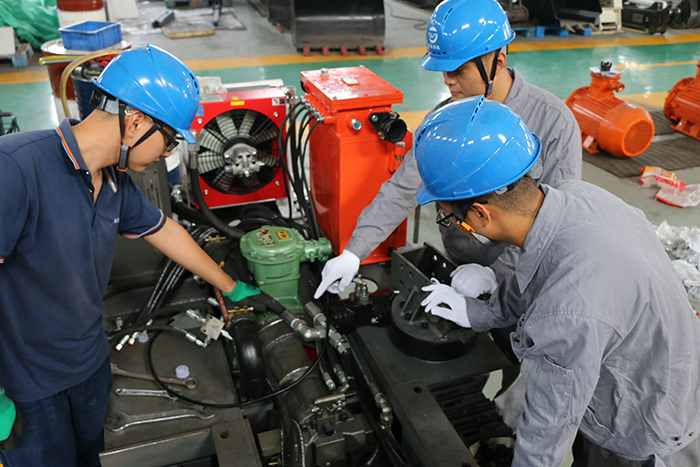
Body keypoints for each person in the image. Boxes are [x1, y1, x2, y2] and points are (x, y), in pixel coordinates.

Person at [0, 45, 260, 466]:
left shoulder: (114, 181)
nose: (167, 153)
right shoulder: (16, 169)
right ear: (135, 120)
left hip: (88, 363)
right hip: (25, 385)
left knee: (88, 456)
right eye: (170, 139)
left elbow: (167, 231)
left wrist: (229, 286)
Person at [417, 96, 700, 466]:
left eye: (448, 217)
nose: (452, 227)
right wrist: (477, 312)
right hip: (666, 378)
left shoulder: (569, 313)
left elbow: (545, 438)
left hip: (644, 432)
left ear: (481, 214)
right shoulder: (576, 198)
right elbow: (537, 276)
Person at [314, 0, 582, 300]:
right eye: (443, 70)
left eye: (459, 69)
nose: (447, 80)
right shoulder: (446, 120)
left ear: (499, 60)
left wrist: (498, 274)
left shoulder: (553, 122)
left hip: (523, 279)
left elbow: (557, 222)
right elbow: (401, 190)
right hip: (457, 264)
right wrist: (354, 251)